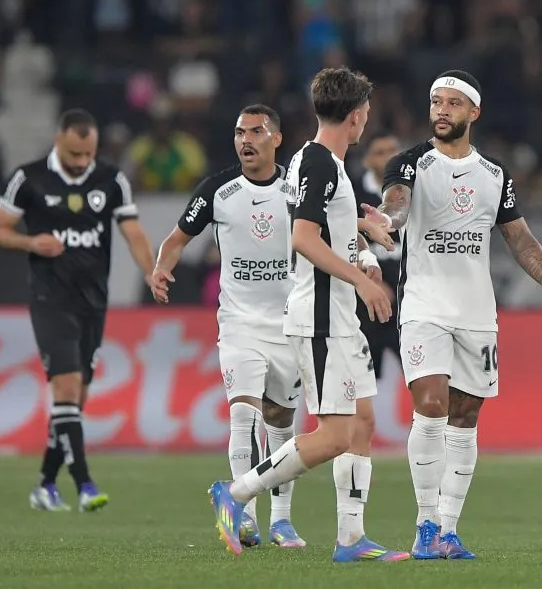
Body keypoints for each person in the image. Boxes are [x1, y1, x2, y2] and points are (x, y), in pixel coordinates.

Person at [363, 70, 542, 560]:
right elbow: (396, 203)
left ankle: (449, 530)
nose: (442, 110)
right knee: (432, 405)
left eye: (453, 103)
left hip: (477, 312)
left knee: (466, 416)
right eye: (436, 101)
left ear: (473, 113)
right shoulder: (411, 163)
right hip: (423, 305)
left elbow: (518, 237)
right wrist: (386, 221)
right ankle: (424, 526)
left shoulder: (494, 175)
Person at [207, 67, 408, 563]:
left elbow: (322, 222)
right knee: (336, 435)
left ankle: (351, 539)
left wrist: (363, 227)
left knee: (362, 420)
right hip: (321, 318)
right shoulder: (319, 163)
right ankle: (234, 495)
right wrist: (362, 277)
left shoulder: (318, 161)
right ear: (358, 116)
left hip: (338, 316)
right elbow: (302, 237)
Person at [151, 104, 307, 549]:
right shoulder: (218, 190)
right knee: (243, 413)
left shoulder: (297, 190)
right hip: (239, 323)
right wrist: (162, 268)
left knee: (281, 422)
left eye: (256, 132)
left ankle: (282, 520)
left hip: (288, 324)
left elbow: (331, 230)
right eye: (239, 132)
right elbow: (177, 239)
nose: (245, 140)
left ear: (276, 138)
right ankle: (243, 516)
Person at [0, 109, 156, 513]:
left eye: (88, 154)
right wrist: (32, 244)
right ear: (58, 139)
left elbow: (132, 232)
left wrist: (152, 272)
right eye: (75, 153)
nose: (82, 162)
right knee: (64, 389)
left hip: (93, 303)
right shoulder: (28, 179)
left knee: (75, 400)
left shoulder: (111, 180)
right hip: (51, 300)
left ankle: (45, 484)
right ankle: (84, 484)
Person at [351, 131, 402, 378]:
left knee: (425, 379)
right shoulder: (352, 194)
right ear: (367, 161)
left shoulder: (415, 195)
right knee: (366, 382)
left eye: (394, 150)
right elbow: (342, 243)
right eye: (381, 153)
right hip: (366, 305)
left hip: (410, 304)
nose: (390, 157)